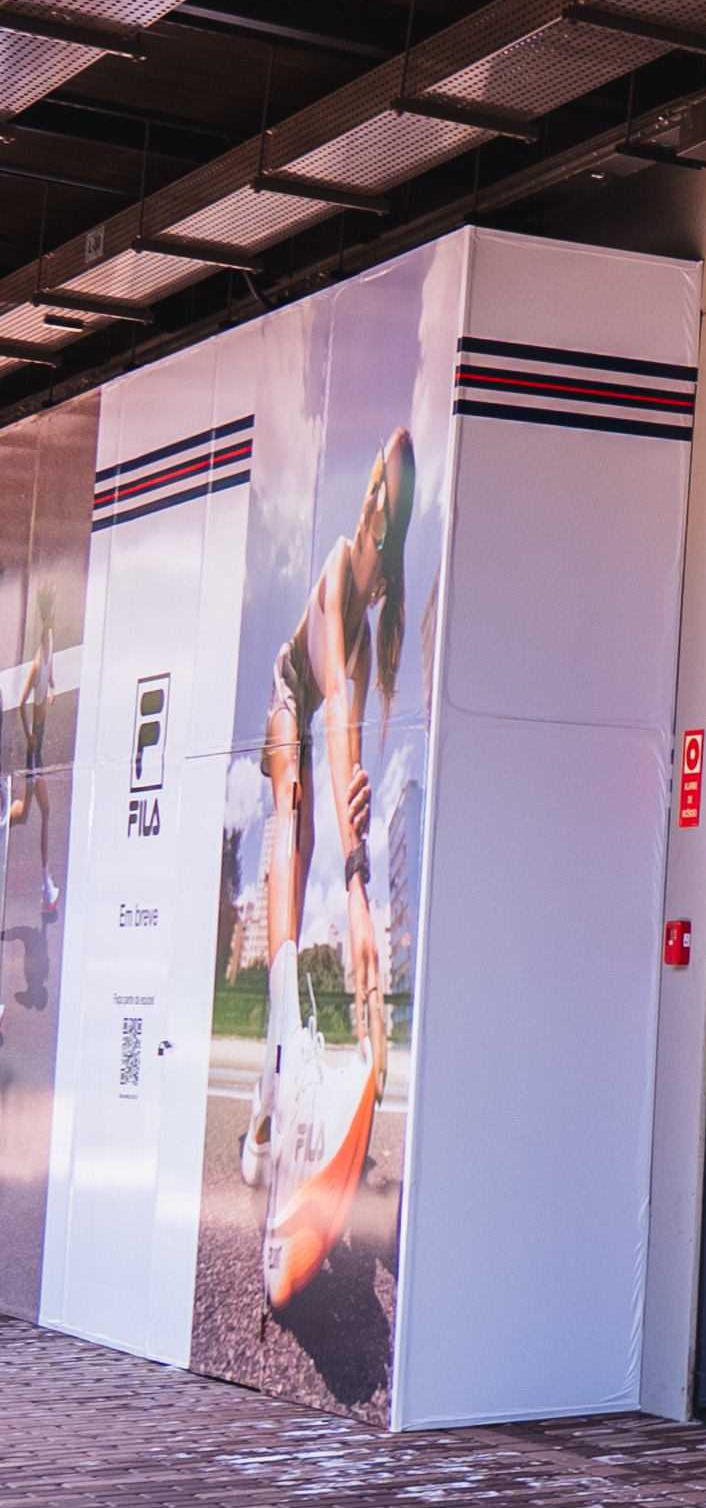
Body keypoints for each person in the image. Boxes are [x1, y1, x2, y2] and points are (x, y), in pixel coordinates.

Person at [240, 430, 416, 1306]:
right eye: (378, 496)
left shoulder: (370, 621)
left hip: (316, 716)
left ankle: (264, 1115)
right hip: (287, 699)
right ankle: (281, 1059)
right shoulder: (341, 564)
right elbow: (334, 705)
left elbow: (351, 731)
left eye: (391, 519)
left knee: (323, 808)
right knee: (294, 812)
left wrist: (361, 843)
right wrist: (353, 888)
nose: (374, 512)